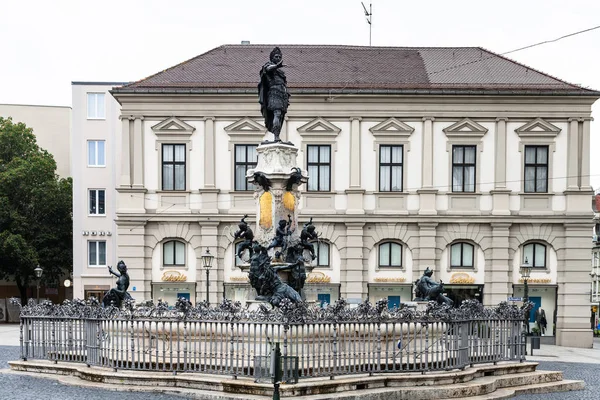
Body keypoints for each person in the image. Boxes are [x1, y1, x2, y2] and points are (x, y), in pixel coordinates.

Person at [258, 47, 289, 142]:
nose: (278, 58)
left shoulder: (280, 72)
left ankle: (277, 136)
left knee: (280, 116)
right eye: (276, 56)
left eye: (280, 57)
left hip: (283, 95)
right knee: (277, 114)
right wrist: (277, 66)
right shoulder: (268, 66)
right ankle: (276, 137)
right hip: (274, 93)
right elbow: (268, 69)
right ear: (272, 58)